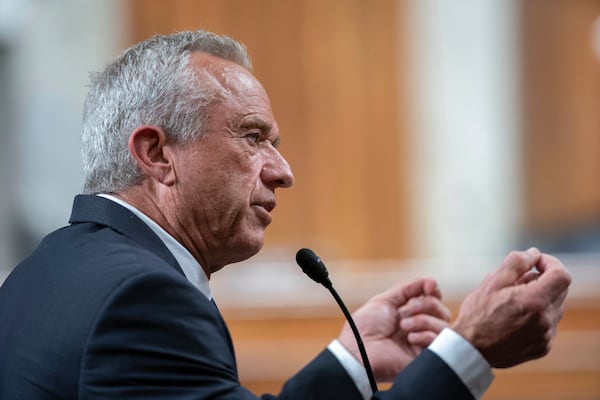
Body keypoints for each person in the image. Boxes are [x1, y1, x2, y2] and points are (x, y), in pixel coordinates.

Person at [0, 30, 570, 400]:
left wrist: (352, 358)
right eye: (253, 138)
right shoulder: (143, 299)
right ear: (156, 154)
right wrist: (469, 351)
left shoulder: (46, 269)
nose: (283, 170)